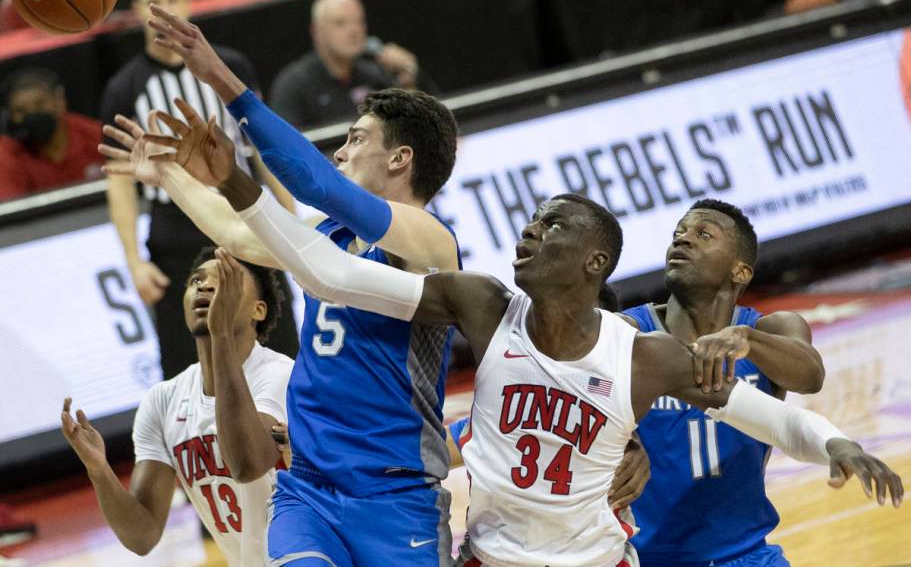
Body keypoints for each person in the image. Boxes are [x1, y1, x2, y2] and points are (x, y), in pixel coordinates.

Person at [132, 107, 904, 565]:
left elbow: (763, 409)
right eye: (530, 223)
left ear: (593, 260)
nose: (527, 233)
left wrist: (832, 445)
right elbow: (329, 274)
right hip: (490, 556)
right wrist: (228, 180)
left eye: (550, 226)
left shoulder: (639, 355)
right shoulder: (479, 306)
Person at [101, 3, 462, 564]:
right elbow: (237, 233)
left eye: (356, 139)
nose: (341, 151)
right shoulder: (328, 233)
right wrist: (169, 174)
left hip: (395, 491)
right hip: (309, 491)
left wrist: (220, 79)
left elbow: (314, 181)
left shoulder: (431, 243)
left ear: (401, 158)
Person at [102, 0, 299, 379]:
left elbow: (263, 147)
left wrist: (292, 215)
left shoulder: (230, 67)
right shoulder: (124, 88)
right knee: (192, 367)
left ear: (188, 3)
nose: (164, 11)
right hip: (176, 234)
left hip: (245, 212)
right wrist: (135, 260)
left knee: (282, 349)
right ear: (138, 10)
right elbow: (120, 181)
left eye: (172, 0)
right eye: (155, 3)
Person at [619, 199, 826, 566]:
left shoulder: (772, 330)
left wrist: (749, 341)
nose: (683, 240)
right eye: (678, 233)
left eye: (703, 234)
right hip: (645, 558)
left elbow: (811, 376)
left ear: (740, 271)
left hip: (746, 555)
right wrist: (626, 439)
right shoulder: (629, 332)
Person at [60, 246, 293, 566]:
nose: (206, 286)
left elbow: (248, 464)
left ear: (258, 310)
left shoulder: (280, 375)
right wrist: (100, 471)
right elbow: (142, 537)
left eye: (226, 279)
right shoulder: (163, 400)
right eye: (196, 280)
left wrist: (220, 334)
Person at [269, 0, 437, 130]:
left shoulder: (375, 74)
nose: (354, 31)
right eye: (341, 23)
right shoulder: (294, 85)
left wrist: (406, 81)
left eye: (359, 21)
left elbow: (415, 130)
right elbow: (282, 148)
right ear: (316, 32)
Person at [0, 68, 103, 201]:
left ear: (59, 101)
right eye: (20, 111)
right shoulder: (8, 154)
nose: (32, 114)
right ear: (11, 118)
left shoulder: (94, 134)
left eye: (40, 105)